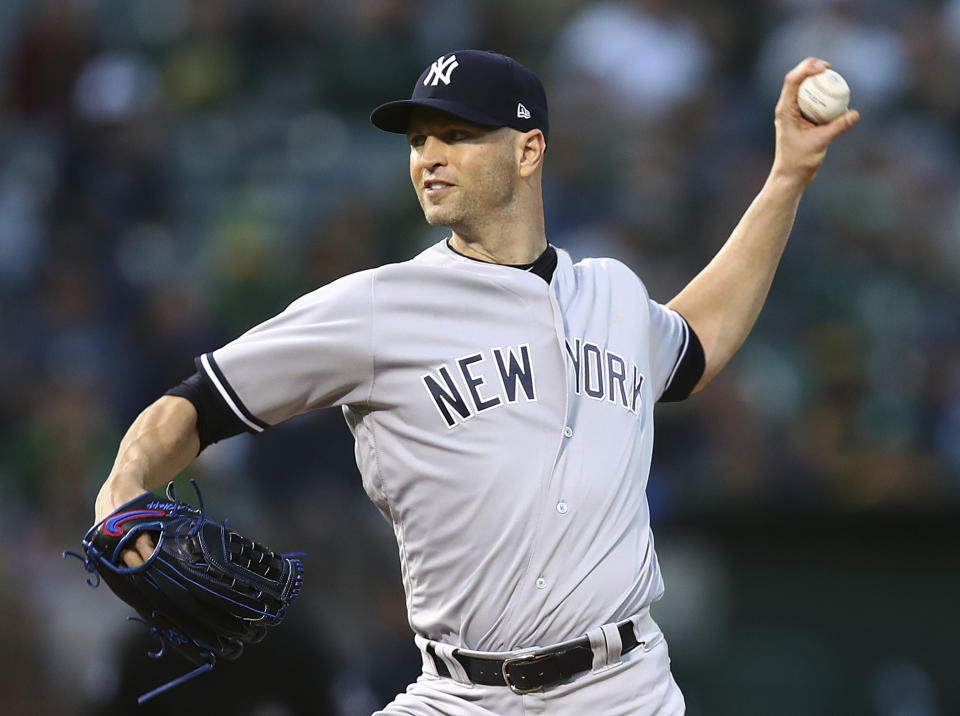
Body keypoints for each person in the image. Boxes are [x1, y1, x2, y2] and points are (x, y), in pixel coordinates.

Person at [94, 50, 859, 714]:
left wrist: (790, 173)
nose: (428, 155)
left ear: (529, 151)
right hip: (461, 695)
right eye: (419, 139)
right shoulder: (376, 307)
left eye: (457, 136)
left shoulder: (615, 294)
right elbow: (192, 406)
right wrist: (121, 495)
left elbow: (698, 344)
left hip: (625, 690)